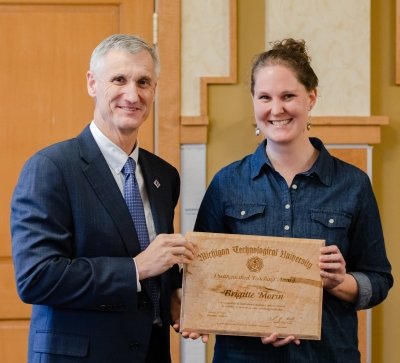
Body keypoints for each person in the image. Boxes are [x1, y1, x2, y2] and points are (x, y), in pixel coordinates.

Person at [193, 38, 393, 362]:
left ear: (311, 98)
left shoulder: (353, 184)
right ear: (254, 102)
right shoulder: (226, 183)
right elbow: (203, 279)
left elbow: (379, 280)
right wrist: (250, 318)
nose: (277, 109)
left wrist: (341, 282)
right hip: (244, 356)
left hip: (328, 355)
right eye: (265, 97)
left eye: (288, 96)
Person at [10, 34, 195, 363]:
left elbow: (156, 261)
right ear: (92, 83)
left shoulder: (164, 176)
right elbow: (36, 278)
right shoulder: (50, 168)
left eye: (144, 82)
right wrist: (135, 269)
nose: (132, 94)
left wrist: (176, 295)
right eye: (119, 80)